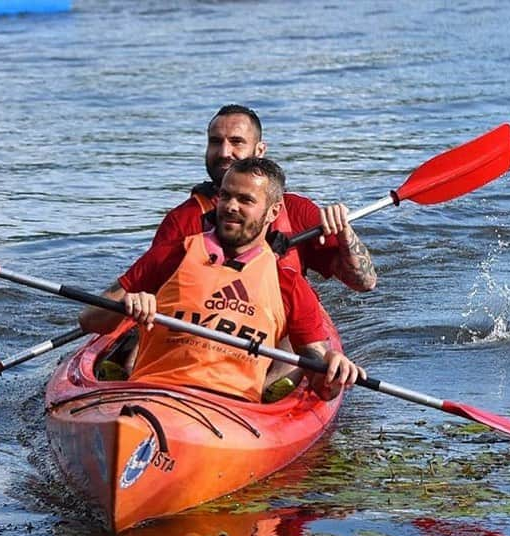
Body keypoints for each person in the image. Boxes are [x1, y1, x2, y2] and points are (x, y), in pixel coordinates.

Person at [79, 157, 365, 403]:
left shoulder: (287, 281)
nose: (230, 206)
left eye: (245, 200)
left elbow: (321, 385)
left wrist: (333, 369)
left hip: (230, 410)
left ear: (273, 212)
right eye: (226, 196)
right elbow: (90, 319)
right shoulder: (175, 253)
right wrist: (125, 305)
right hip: (152, 394)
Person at [151, 104, 377, 292]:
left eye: (236, 141)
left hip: (278, 325)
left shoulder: (297, 211)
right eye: (215, 141)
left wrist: (345, 233)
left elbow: (364, 282)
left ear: (259, 150)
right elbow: (151, 288)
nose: (223, 152)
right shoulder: (182, 219)